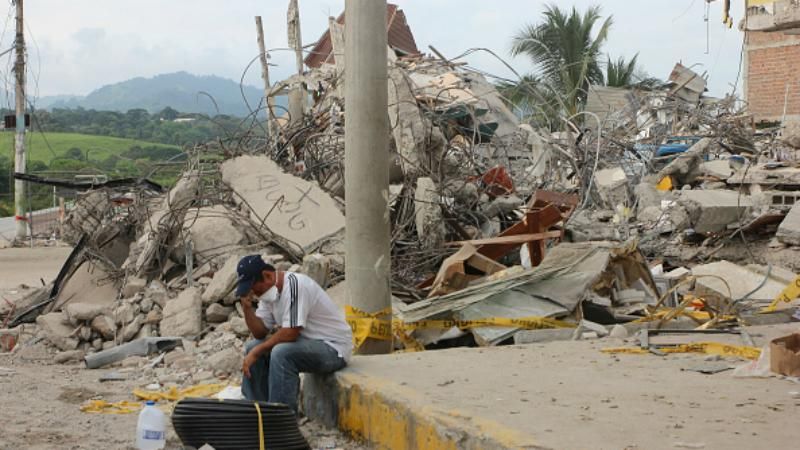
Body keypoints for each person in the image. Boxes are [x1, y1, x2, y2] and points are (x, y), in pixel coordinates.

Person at [235, 254, 352, 414]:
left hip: (333, 349)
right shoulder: (268, 294)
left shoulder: (296, 286)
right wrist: (247, 309)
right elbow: (260, 332)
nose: (253, 293)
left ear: (267, 276)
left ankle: (281, 420)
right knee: (252, 346)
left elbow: (290, 333)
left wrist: (258, 352)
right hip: (306, 345)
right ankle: (257, 413)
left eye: (254, 287)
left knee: (281, 353)